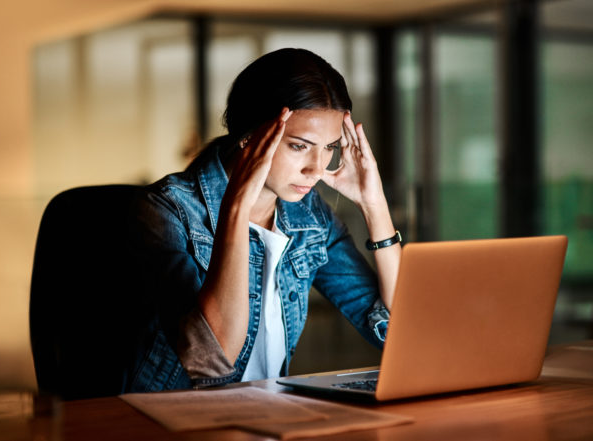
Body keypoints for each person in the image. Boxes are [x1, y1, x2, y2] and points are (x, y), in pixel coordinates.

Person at [126, 48, 401, 392]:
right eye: (299, 146)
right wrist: (238, 205)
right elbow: (212, 359)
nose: (317, 168)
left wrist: (374, 205)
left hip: (268, 415)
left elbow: (399, 334)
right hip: (176, 421)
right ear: (250, 136)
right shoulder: (166, 210)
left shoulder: (308, 215)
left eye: (329, 147)